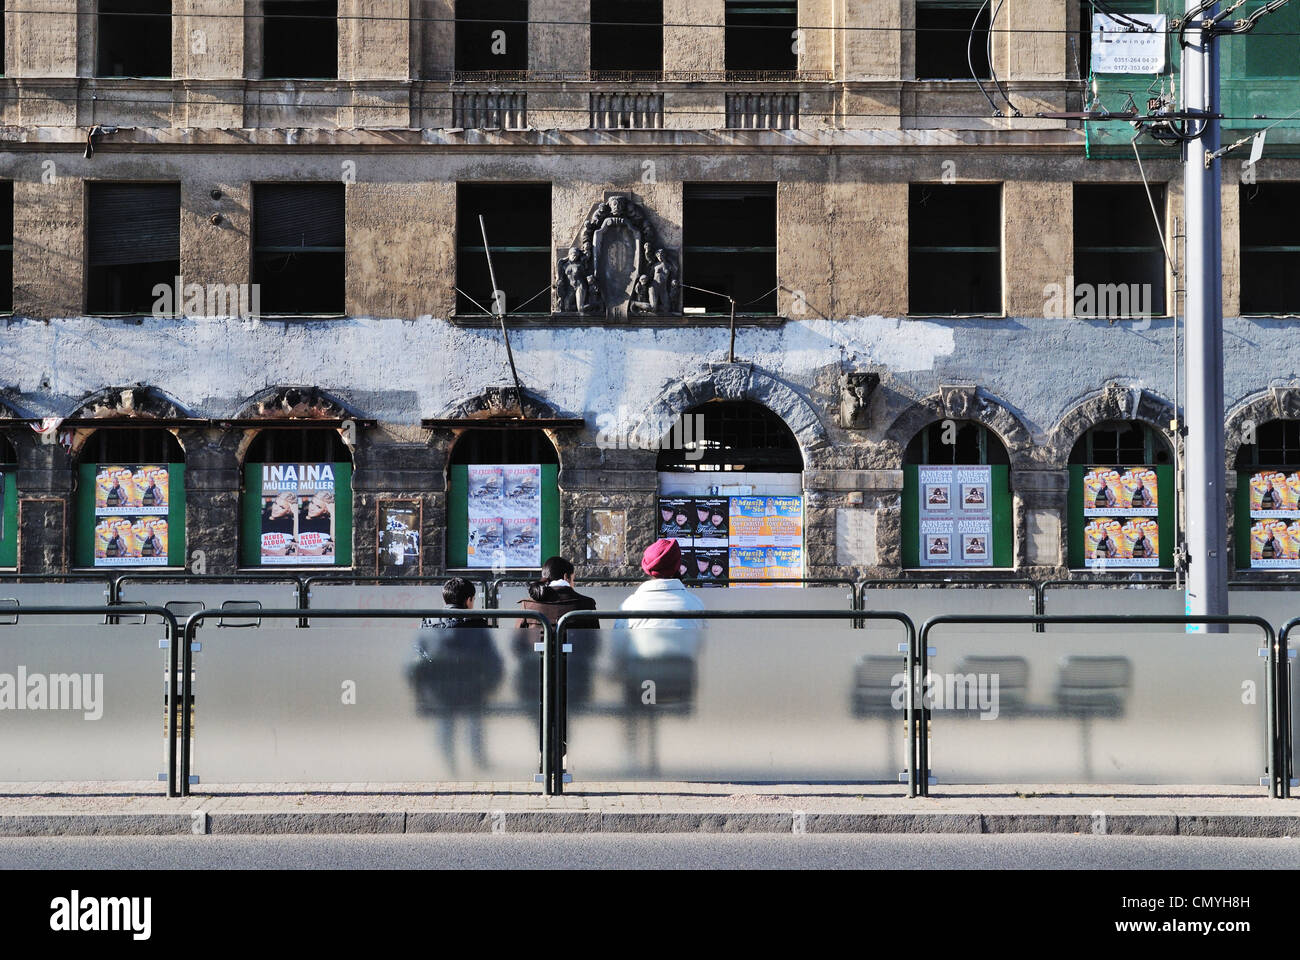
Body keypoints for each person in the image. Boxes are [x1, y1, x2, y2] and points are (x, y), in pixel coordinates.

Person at [410, 578, 503, 775]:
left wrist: (423, 688)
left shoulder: (428, 621)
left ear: (444, 599)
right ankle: (478, 763)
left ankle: (448, 766)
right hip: (472, 688)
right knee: (475, 724)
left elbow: (417, 657)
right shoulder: (478, 624)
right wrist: (490, 686)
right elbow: (493, 661)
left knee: (445, 725)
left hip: (439, 689)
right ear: (469, 600)